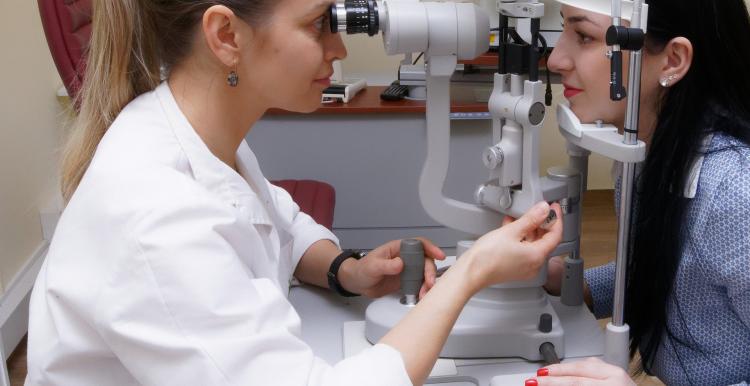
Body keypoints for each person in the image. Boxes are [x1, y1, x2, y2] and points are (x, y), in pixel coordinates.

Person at [25, 1, 563, 385]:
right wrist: (470, 273)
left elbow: (273, 215)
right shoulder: (155, 216)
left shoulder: (192, 132)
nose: (338, 48)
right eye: (318, 24)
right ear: (226, 36)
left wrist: (342, 269)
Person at [529, 0, 750, 385]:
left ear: (672, 60)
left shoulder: (736, 196)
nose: (555, 60)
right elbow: (674, 268)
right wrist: (573, 284)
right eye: (564, 29)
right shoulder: (645, 155)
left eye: (583, 35)